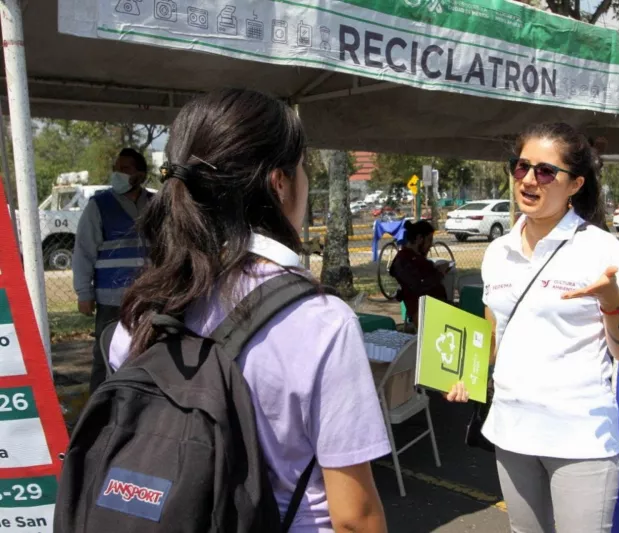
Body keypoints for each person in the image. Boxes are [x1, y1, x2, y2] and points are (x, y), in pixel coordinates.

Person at [107, 89, 389, 532]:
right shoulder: (321, 322)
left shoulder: (142, 310)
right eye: (303, 170)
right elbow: (354, 517)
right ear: (280, 182)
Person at [448, 123, 619, 533]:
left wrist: (612, 302)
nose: (528, 180)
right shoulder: (498, 252)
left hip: (580, 436)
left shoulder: (600, 249)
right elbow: (495, 335)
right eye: (521, 167)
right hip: (511, 429)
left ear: (574, 184)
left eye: (544, 172)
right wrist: (464, 374)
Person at [72, 147, 152, 392]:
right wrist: (83, 293)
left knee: (148, 353)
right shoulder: (99, 205)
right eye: (116, 168)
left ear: (140, 174)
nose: (118, 173)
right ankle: (99, 409)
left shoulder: (156, 204)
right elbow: (84, 251)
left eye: (125, 169)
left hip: (149, 297)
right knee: (105, 356)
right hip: (111, 299)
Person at [389, 219, 452, 326]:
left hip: (436, 307)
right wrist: (439, 273)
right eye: (429, 240)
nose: (430, 245)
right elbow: (418, 286)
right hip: (425, 312)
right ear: (419, 239)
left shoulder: (415, 258)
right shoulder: (404, 260)